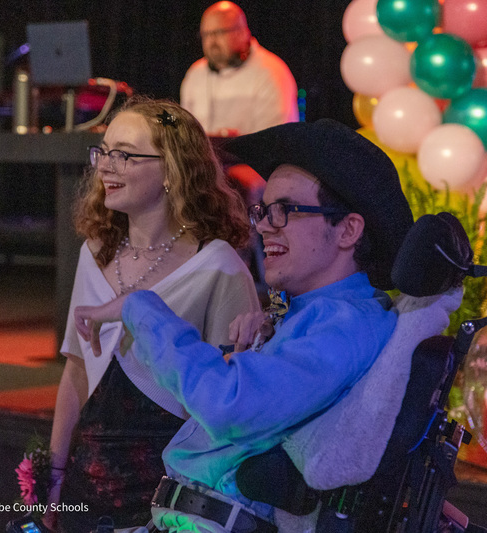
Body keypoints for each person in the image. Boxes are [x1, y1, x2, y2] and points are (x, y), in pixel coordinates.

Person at [73, 118, 415, 532]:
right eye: (264, 210)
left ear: (348, 230)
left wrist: (141, 309)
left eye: (285, 210)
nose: (265, 225)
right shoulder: (314, 316)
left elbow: (229, 405)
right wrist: (258, 345)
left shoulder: (344, 324)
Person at [45, 96, 260, 532]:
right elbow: (76, 374)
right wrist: (53, 481)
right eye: (102, 151)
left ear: (172, 170)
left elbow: (229, 404)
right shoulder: (95, 253)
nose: (105, 166)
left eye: (123, 154)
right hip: (86, 493)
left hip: (165, 496)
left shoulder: (217, 265)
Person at [180, 1, 299, 137]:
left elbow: (276, 141)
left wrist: (232, 144)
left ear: (242, 32)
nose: (212, 42)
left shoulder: (271, 73)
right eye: (206, 34)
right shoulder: (195, 74)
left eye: (219, 32)